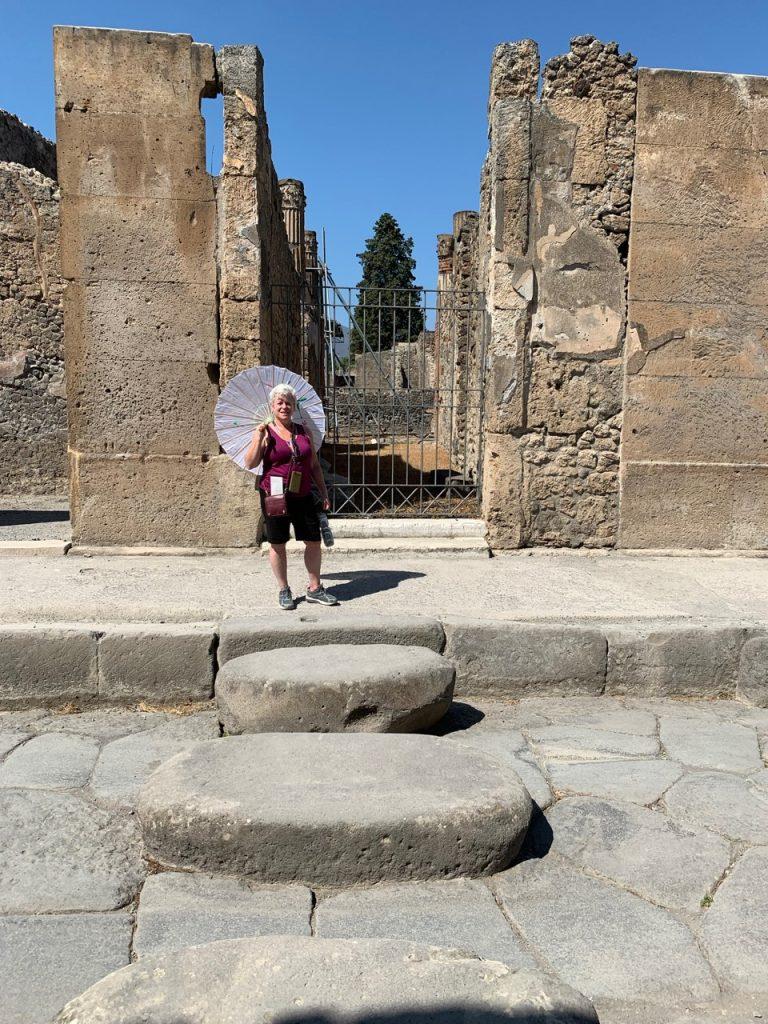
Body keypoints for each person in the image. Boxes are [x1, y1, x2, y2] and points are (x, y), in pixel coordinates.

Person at [244, 383, 338, 610]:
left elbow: (314, 465)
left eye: (289, 403)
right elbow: (250, 463)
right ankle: (284, 589)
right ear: (272, 406)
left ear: (294, 406)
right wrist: (258, 438)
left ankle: (314, 588)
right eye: (280, 402)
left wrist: (323, 492)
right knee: (277, 543)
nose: (284, 406)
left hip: (303, 492)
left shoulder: (303, 431)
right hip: (274, 494)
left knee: (313, 540)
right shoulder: (265, 432)